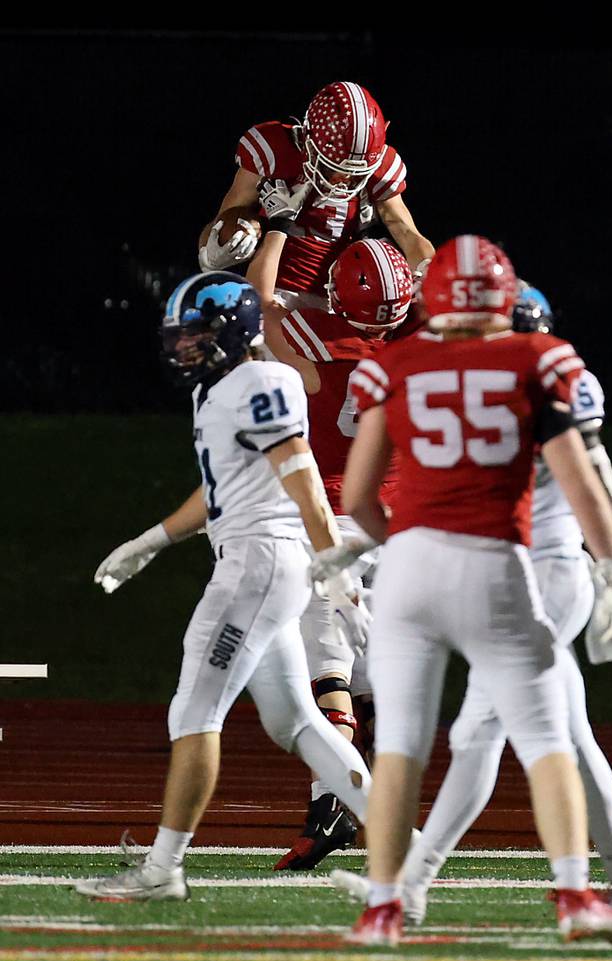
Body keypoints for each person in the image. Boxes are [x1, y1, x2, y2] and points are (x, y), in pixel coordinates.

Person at [313, 235, 612, 945]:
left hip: (411, 567)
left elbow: (366, 494)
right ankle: (573, 893)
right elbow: (584, 484)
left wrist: (390, 539)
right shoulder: (537, 361)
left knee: (401, 743)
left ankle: (383, 908)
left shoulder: (395, 363)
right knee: (546, 738)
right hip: (496, 564)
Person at [76, 271, 372, 901]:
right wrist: (150, 542)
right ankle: (404, 840)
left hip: (257, 566)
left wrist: (338, 568)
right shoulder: (221, 388)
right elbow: (220, 494)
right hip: (258, 560)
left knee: (194, 710)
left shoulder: (262, 381)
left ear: (233, 330)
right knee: (294, 720)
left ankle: (162, 869)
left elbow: (302, 476)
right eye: (179, 335)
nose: (183, 346)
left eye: (197, 334)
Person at [261, 238, 417, 871]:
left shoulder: (315, 337)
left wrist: (278, 228)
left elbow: (260, 303)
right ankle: (377, 799)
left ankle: (328, 810)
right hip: (401, 524)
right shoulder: (422, 350)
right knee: (376, 678)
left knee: (328, 669)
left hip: (332, 518)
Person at [197, 81, 434, 312]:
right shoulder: (275, 151)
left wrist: (430, 273)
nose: (344, 179)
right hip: (270, 289)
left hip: (341, 299)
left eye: (356, 173)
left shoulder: (380, 167)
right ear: (307, 141)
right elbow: (221, 221)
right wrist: (215, 252)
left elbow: (406, 231)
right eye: (335, 167)